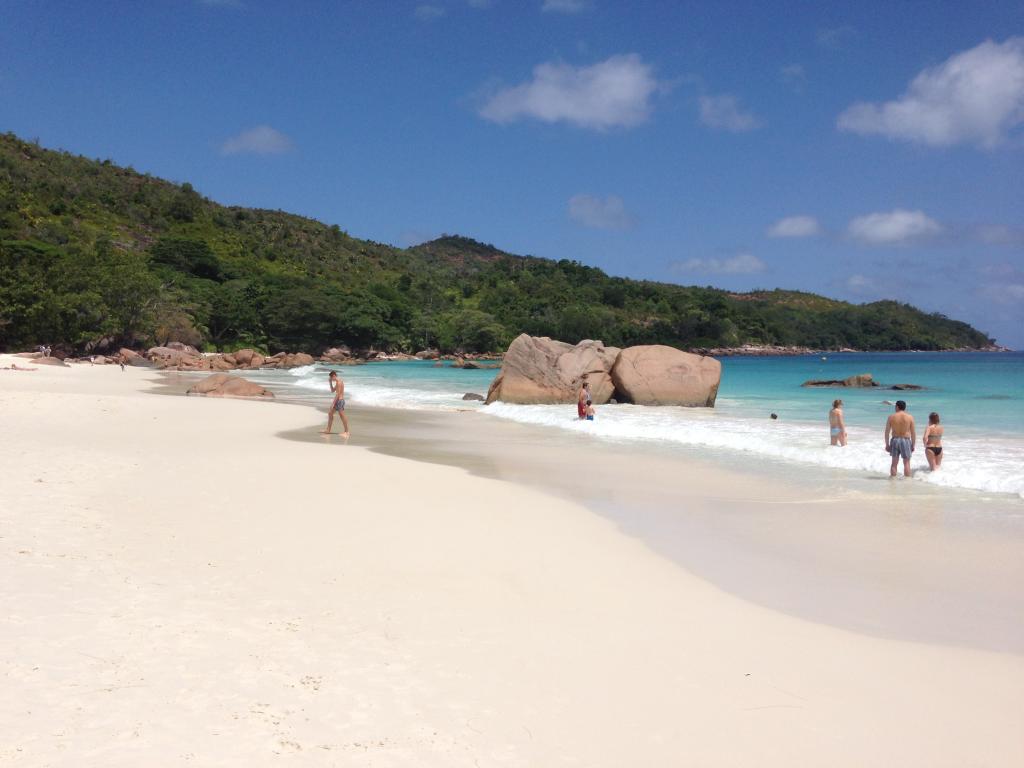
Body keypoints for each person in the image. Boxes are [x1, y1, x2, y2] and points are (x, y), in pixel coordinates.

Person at [884, 400, 916, 477]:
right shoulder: (910, 417)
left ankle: (892, 482)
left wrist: (887, 444)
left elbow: (887, 432)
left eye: (895, 406)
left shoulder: (891, 417)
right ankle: (907, 482)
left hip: (895, 440)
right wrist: (913, 445)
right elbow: (913, 433)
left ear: (897, 407)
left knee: (894, 463)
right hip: (905, 440)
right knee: (907, 463)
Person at [321, 370, 350, 437]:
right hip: (337, 401)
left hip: (340, 401)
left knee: (342, 416)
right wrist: (330, 382)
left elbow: (338, 394)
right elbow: (332, 391)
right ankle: (328, 430)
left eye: (331, 378)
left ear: (334, 376)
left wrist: (333, 403)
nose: (331, 379)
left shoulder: (339, 382)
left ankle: (347, 432)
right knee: (330, 413)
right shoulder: (337, 382)